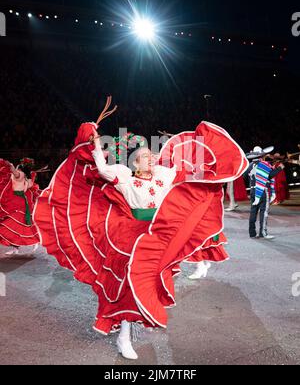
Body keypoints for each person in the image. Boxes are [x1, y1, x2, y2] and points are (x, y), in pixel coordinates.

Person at [33, 99, 248, 360]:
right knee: (130, 283)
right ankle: (124, 334)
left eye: (151, 155)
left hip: (159, 233)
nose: (151, 157)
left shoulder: (163, 175)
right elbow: (100, 168)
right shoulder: (124, 176)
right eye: (146, 156)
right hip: (130, 235)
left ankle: (129, 323)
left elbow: (192, 172)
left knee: (148, 281)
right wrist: (96, 142)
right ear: (136, 162)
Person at [0, 158, 41, 255]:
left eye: (19, 165)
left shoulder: (19, 175)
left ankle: (33, 241)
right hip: (19, 200)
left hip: (17, 202)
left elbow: (13, 171)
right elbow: (30, 186)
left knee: (11, 224)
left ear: (21, 168)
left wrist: (8, 164)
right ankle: (17, 247)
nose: (17, 166)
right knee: (18, 226)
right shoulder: (27, 178)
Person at [247, 147, 284, 240]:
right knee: (263, 212)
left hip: (252, 190)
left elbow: (245, 176)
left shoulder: (250, 165)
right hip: (262, 190)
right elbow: (270, 175)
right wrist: (280, 168)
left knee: (253, 211)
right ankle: (263, 233)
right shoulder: (263, 164)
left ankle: (252, 233)